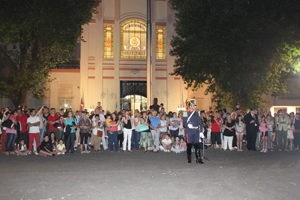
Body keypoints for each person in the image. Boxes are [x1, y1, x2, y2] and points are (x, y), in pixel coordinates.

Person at [183, 99, 204, 164]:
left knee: (197, 145)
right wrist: (187, 125)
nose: (195, 107)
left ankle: (198, 158)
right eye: (193, 105)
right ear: (190, 106)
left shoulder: (197, 113)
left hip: (196, 131)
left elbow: (199, 123)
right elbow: (184, 124)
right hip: (189, 131)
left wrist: (201, 131)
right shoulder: (186, 113)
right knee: (189, 145)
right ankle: (189, 158)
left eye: (195, 105)